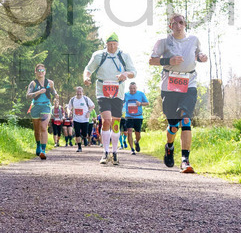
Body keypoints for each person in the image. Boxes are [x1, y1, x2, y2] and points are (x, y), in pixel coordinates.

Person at [149, 13, 208, 174]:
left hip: (189, 82)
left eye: (181, 22)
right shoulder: (163, 42)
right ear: (170, 26)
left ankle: (185, 160)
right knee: (174, 125)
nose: (178, 26)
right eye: (174, 23)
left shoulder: (193, 40)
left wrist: (202, 57)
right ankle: (169, 146)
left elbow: (198, 55)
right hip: (169, 85)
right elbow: (152, 60)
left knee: (186, 119)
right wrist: (168, 61)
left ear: (185, 24)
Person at [83, 33, 136, 166]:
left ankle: (115, 152)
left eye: (114, 44)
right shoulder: (99, 55)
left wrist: (125, 74)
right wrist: (86, 77)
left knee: (116, 123)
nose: (112, 47)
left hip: (118, 91)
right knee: (106, 120)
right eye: (109, 44)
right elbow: (88, 69)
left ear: (118, 44)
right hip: (103, 90)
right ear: (105, 44)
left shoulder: (124, 55)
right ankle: (105, 152)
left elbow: (133, 72)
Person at [26, 63, 55, 159]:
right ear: (36, 72)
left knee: (43, 127)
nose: (40, 72)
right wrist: (38, 92)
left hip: (46, 106)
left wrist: (56, 95)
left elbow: (53, 91)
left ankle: (43, 150)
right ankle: (38, 145)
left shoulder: (50, 82)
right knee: (37, 129)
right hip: (35, 106)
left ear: (45, 72)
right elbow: (28, 96)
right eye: (39, 70)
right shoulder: (33, 83)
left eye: (42, 70)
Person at [122, 81, 150, 154]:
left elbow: (147, 103)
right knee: (129, 131)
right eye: (131, 88)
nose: (132, 90)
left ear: (136, 88)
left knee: (138, 134)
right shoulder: (125, 95)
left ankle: (136, 141)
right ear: (129, 88)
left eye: (134, 88)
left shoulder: (141, 94)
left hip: (138, 116)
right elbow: (121, 103)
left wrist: (140, 103)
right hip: (129, 116)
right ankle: (132, 149)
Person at [67, 86, 94, 152]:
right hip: (76, 119)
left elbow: (93, 106)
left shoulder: (86, 99)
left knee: (84, 133)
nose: (79, 93)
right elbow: (68, 107)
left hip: (85, 119)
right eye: (78, 92)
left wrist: (88, 112)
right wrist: (69, 112)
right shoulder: (72, 99)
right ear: (76, 92)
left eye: (80, 92)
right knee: (77, 133)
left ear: (82, 92)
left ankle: (84, 137)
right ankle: (79, 147)